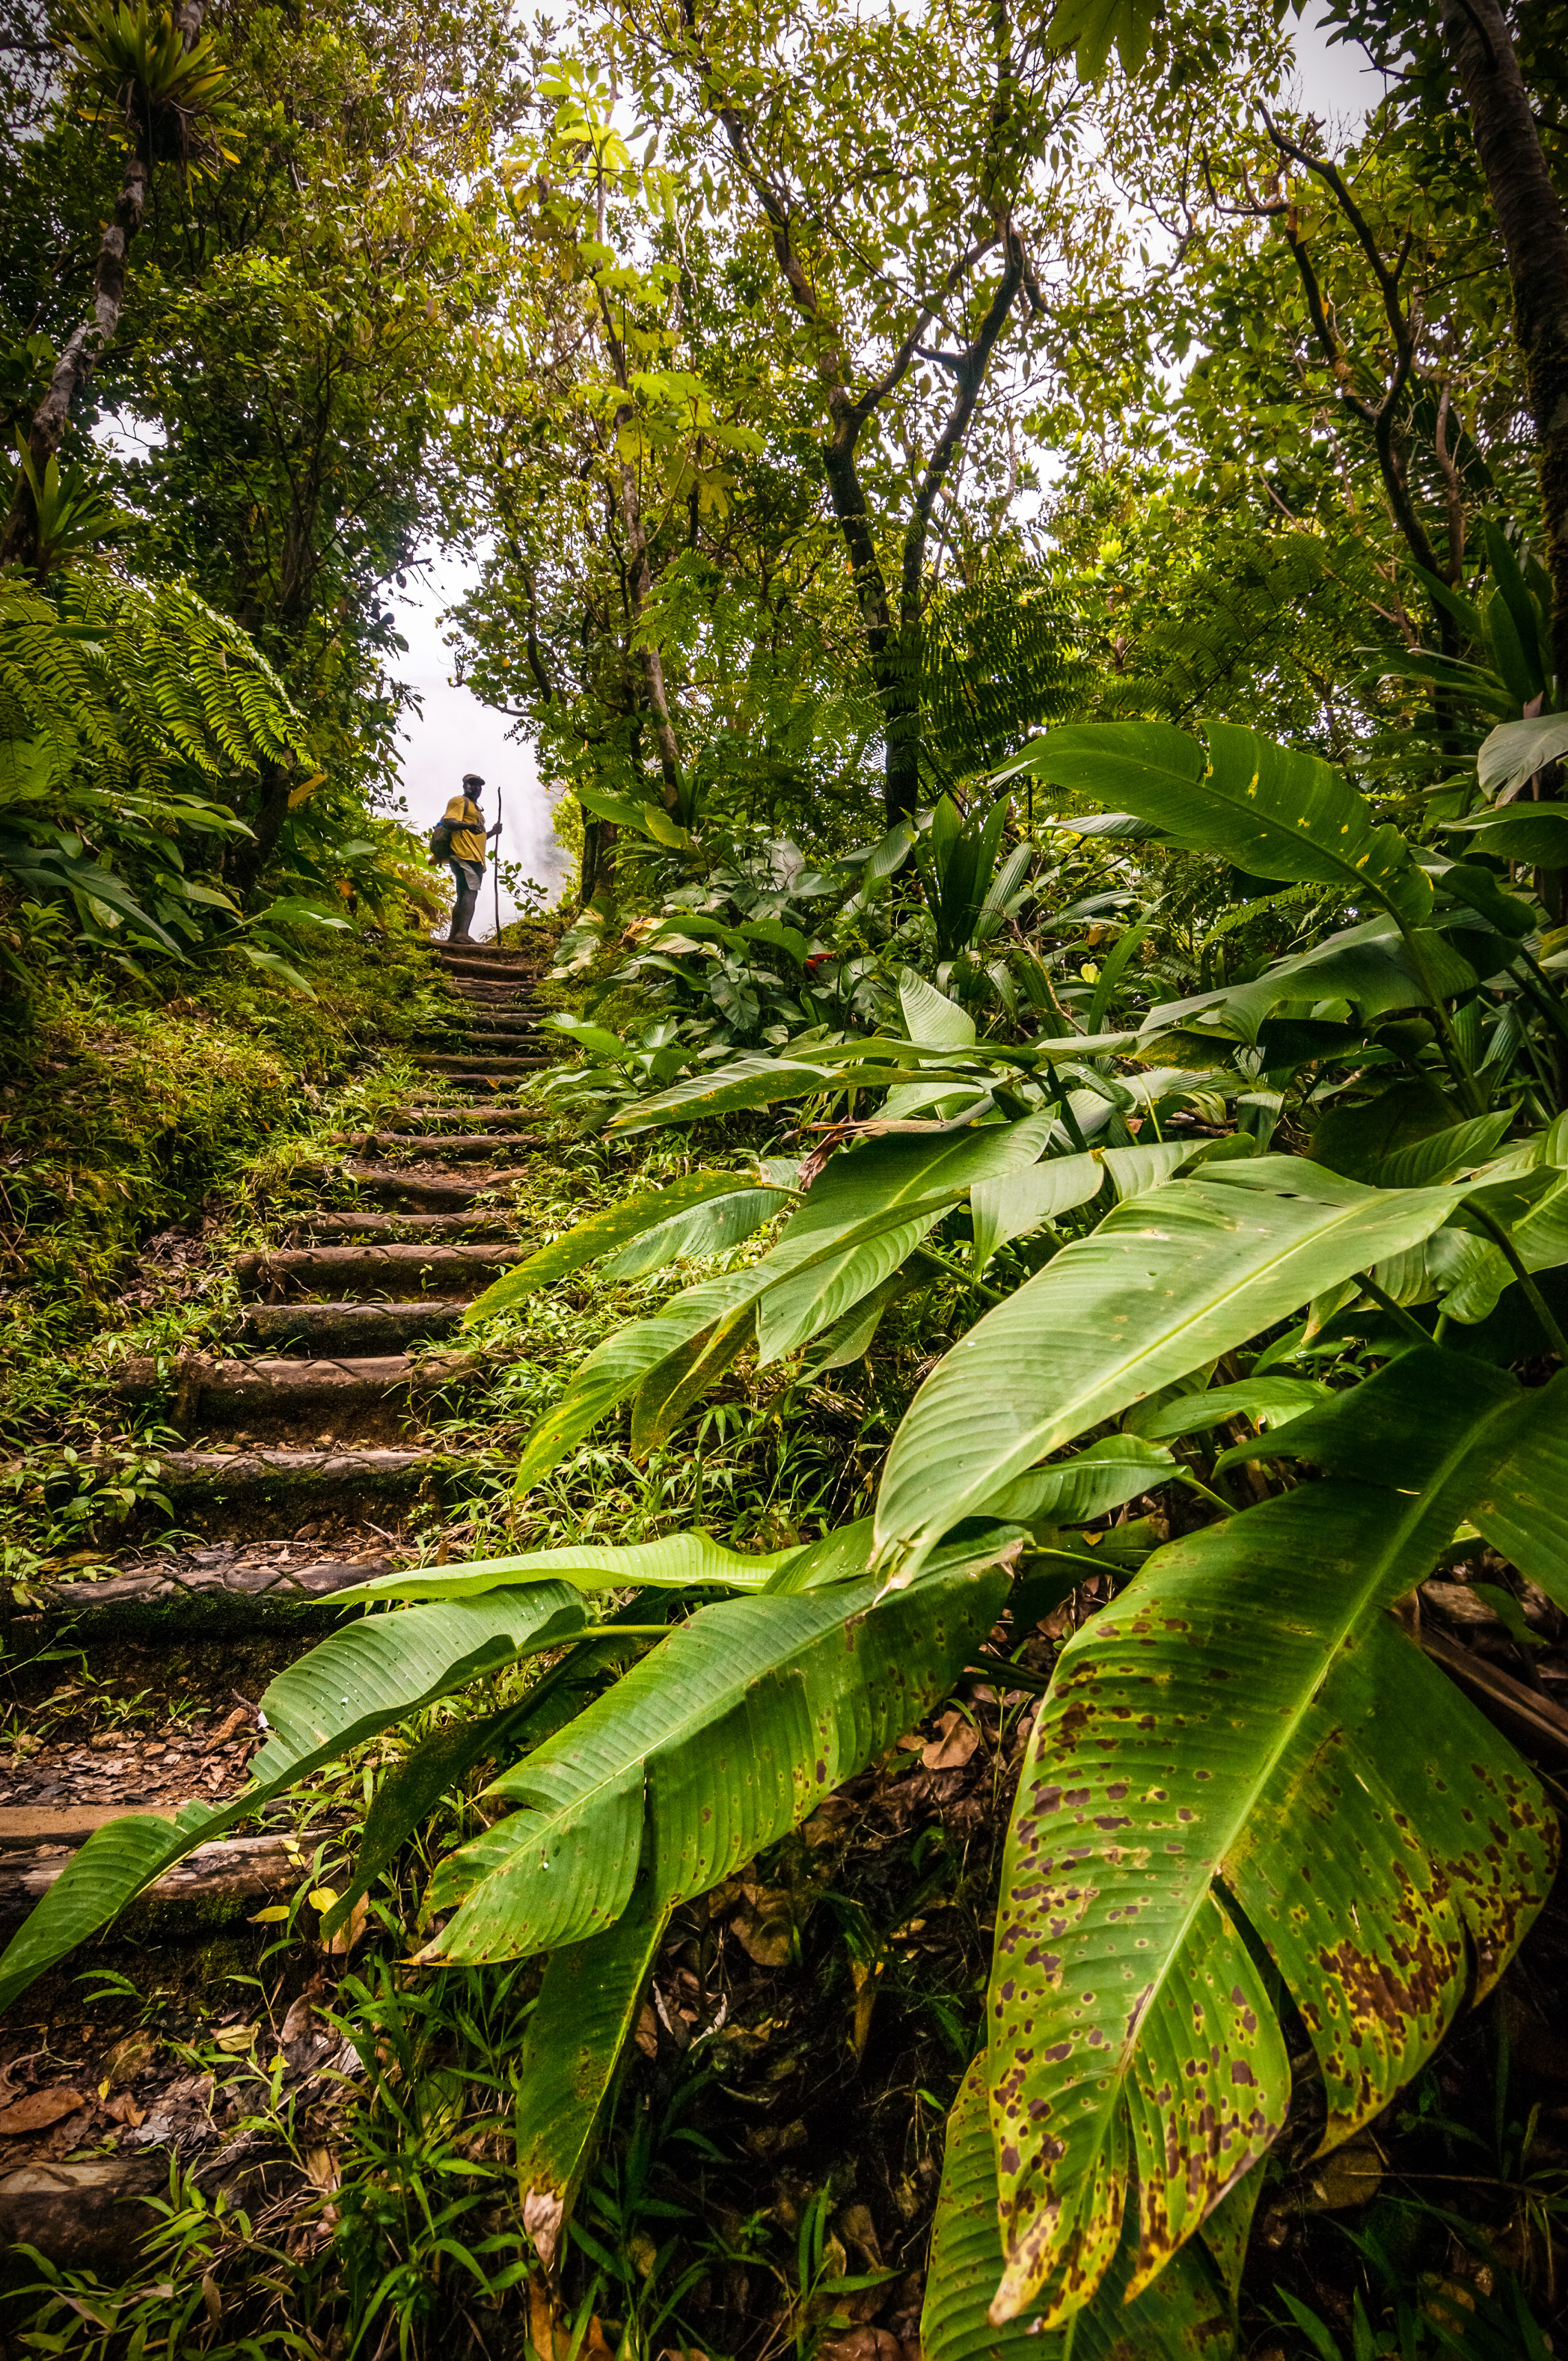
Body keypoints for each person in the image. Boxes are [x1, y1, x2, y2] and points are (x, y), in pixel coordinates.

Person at [428, 772, 500, 943]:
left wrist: (492, 832)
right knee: (470, 893)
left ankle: (455, 935)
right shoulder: (459, 801)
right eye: (472, 784)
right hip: (463, 854)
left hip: (474, 857)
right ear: (464, 786)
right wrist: (469, 825)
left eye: (478, 785)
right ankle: (461, 933)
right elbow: (448, 821)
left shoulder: (476, 810)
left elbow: (476, 835)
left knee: (464, 894)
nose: (476, 788)